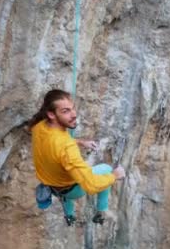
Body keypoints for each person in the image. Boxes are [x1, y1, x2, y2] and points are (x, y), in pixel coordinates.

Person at [28, 89, 126, 226]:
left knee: (66, 175)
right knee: (105, 169)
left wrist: (81, 142)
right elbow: (91, 185)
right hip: (72, 190)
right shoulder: (67, 148)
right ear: (51, 114)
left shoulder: (39, 127)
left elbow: (55, 146)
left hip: (52, 186)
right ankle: (100, 213)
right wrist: (115, 175)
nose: (74, 114)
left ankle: (70, 216)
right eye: (65, 111)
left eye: (72, 108)